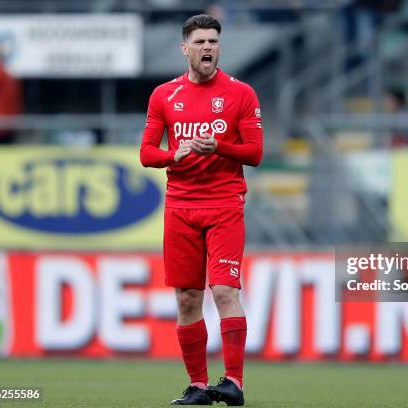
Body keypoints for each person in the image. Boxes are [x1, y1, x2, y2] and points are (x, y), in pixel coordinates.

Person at [139, 14, 263, 406]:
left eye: (213, 41)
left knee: (225, 290)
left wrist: (220, 147)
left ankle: (234, 383)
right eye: (200, 42)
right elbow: (146, 153)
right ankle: (197, 385)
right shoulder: (163, 95)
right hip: (179, 204)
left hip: (225, 202)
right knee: (186, 299)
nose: (207, 47)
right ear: (185, 48)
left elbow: (256, 153)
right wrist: (173, 153)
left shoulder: (241, 93)